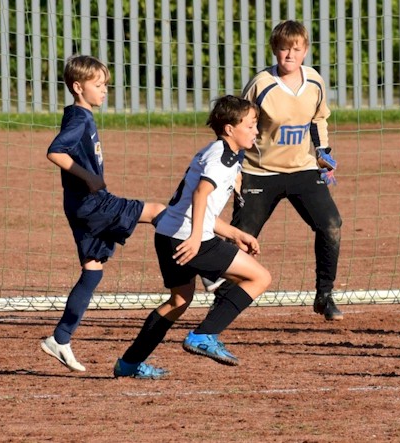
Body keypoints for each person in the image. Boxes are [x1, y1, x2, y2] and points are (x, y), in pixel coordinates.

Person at [113, 95, 272, 379]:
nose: (256, 131)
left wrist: (234, 233)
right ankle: (204, 335)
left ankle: (128, 364)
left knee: (179, 301)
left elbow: (199, 206)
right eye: (250, 126)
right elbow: (201, 194)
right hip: (189, 238)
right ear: (229, 128)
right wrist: (198, 237)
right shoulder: (221, 157)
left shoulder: (220, 152)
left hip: (168, 234)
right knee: (260, 278)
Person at [209, 20, 343, 321]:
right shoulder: (261, 85)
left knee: (331, 224)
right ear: (275, 50)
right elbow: (239, 126)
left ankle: (324, 295)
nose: (290, 54)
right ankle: (223, 298)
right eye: (284, 48)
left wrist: (323, 154)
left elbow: (319, 119)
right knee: (242, 237)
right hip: (260, 171)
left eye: (296, 48)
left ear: (305, 51)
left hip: (303, 169)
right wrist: (235, 168)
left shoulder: (315, 82)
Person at [42, 55, 166, 372]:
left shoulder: (77, 113)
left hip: (79, 205)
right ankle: (203, 271)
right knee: (157, 212)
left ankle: (60, 337)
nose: (104, 91)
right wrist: (89, 177)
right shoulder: (79, 119)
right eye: (98, 85)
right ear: (77, 87)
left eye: (105, 85)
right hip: (92, 203)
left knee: (93, 270)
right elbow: (54, 151)